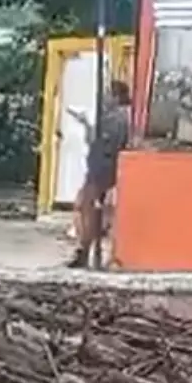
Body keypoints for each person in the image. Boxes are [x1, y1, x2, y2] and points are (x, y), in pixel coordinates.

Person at [70, 79, 132, 269]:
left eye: (107, 94)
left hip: (102, 169)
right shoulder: (110, 117)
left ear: (116, 97)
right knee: (91, 210)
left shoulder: (117, 118)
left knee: (85, 206)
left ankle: (85, 248)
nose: (103, 98)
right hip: (100, 168)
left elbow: (104, 145)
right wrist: (86, 125)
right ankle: (86, 248)